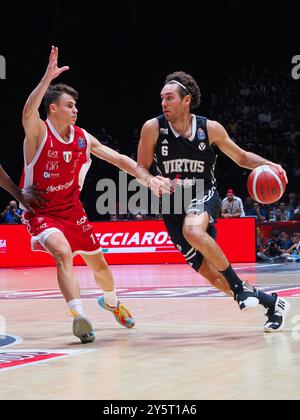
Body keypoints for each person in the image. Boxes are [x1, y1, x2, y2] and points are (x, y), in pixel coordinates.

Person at [136, 70, 290, 333]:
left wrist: (268, 163)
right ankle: (273, 303)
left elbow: (241, 158)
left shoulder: (209, 128)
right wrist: (150, 180)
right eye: (162, 98)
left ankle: (241, 288)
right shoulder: (153, 128)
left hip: (203, 192)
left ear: (186, 100)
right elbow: (140, 167)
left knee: (193, 230)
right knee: (213, 276)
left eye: (170, 98)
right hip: (172, 206)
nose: (164, 103)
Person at [21, 46, 137, 344]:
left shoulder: (83, 138)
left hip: (73, 211)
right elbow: (27, 112)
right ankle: (79, 316)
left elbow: (119, 159)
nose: (76, 109)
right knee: (61, 252)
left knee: (101, 269)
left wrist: (147, 177)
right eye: (70, 105)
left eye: (76, 105)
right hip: (42, 213)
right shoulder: (38, 134)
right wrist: (47, 78)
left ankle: (111, 302)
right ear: (53, 109)